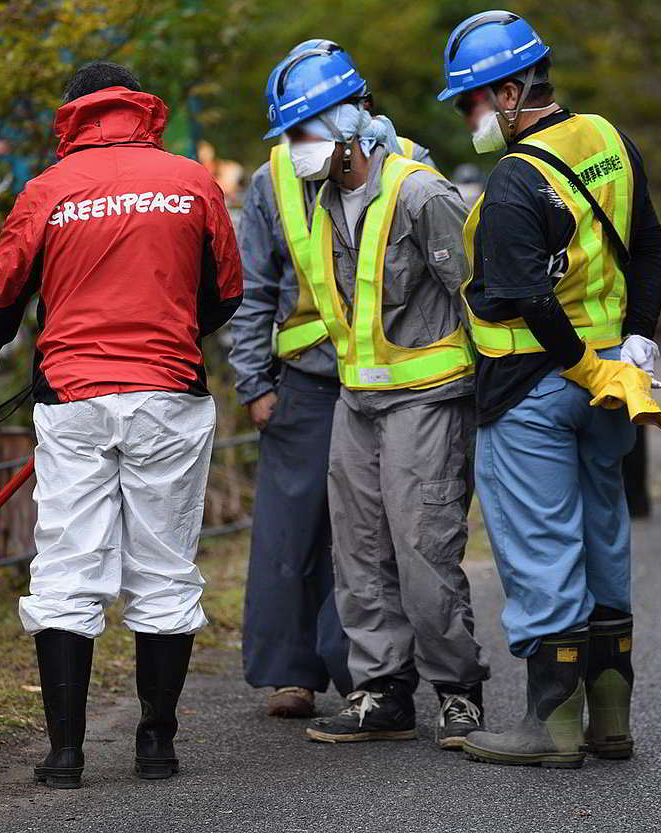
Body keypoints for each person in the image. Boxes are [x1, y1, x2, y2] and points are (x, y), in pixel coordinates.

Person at [0, 61, 242, 786]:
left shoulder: (48, 190)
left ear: (74, 115)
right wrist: (173, 331)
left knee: (67, 566)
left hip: (72, 399)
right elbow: (227, 291)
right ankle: (155, 745)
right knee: (164, 566)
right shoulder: (191, 181)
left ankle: (64, 754)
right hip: (168, 393)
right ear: (140, 108)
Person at [437, 11, 661, 767]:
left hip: (532, 389)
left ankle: (551, 726)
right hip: (609, 382)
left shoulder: (514, 178)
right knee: (604, 531)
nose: (471, 116)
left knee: (541, 547)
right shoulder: (606, 137)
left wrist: (583, 364)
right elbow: (651, 245)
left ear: (511, 91)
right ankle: (610, 719)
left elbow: (527, 298)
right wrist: (634, 338)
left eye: (472, 101)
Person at [257, 45, 490, 748]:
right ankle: (382, 688)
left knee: (424, 548)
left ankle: (459, 688)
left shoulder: (421, 193)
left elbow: (476, 295)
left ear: (344, 127)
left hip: (428, 396)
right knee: (358, 553)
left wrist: (493, 396)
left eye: (302, 134)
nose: (294, 151)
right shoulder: (326, 200)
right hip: (354, 398)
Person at [230, 38, 438, 720]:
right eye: (289, 131)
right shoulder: (273, 182)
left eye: (307, 127)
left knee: (368, 536)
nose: (298, 144)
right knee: (289, 534)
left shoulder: (411, 170)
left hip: (389, 383)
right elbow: (254, 290)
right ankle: (288, 672)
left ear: (357, 112)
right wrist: (253, 383)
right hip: (306, 381)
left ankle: (365, 673)